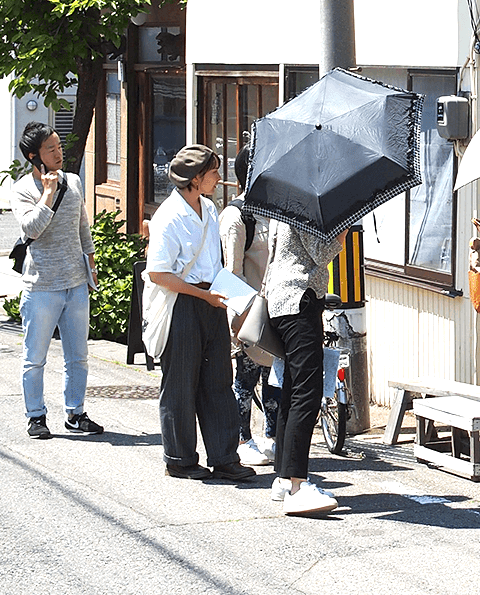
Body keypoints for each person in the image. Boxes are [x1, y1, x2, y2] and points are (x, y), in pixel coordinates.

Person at [145, 144, 255, 483]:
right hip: (183, 303)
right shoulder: (169, 216)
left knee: (218, 380)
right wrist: (204, 295)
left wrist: (222, 295)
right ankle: (179, 459)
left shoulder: (208, 208)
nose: (218, 178)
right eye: (213, 173)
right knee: (180, 384)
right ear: (195, 179)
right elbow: (158, 273)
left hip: (211, 298)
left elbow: (215, 262)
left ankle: (224, 457)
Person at [10, 121, 104, 440]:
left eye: (59, 146)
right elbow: (32, 229)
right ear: (34, 156)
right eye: (51, 149)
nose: (58, 153)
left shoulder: (74, 182)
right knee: (35, 357)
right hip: (41, 287)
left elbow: (82, 229)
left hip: (76, 283)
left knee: (77, 355)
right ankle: (36, 415)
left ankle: (75, 413)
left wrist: (91, 267)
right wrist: (47, 196)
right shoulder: (23, 190)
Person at [261, 219, 345, 516]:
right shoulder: (303, 208)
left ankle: (284, 478)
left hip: (281, 302)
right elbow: (321, 253)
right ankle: (298, 485)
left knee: (293, 390)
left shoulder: (287, 201)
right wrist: (342, 229)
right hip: (299, 302)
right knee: (306, 394)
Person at [221, 146, 279, 467]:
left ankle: (271, 436)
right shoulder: (236, 216)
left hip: (274, 308)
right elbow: (231, 273)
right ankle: (243, 438)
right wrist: (238, 320)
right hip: (247, 310)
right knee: (245, 377)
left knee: (274, 377)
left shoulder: (274, 211)